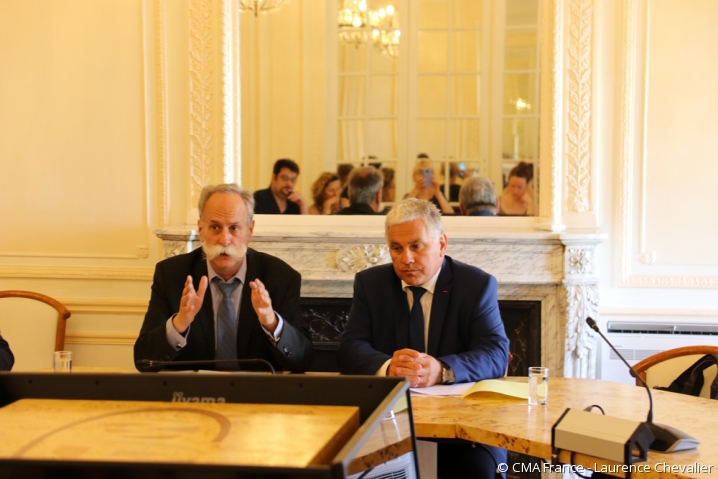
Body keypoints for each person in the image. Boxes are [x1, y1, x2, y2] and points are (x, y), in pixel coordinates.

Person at [338, 198, 510, 479]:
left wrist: (442, 370)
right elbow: (349, 349)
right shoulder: (371, 284)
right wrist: (388, 368)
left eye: (416, 246)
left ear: (441, 244)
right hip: (388, 425)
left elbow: (495, 352)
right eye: (396, 248)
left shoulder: (476, 285)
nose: (406, 258)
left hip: (462, 430)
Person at [134, 183, 313, 373]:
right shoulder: (171, 275)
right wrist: (180, 323)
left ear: (250, 231)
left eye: (234, 228)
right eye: (215, 227)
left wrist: (271, 322)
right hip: (192, 394)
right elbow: (144, 360)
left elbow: (303, 360)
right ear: (201, 230)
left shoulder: (281, 278)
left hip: (258, 395)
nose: (225, 239)